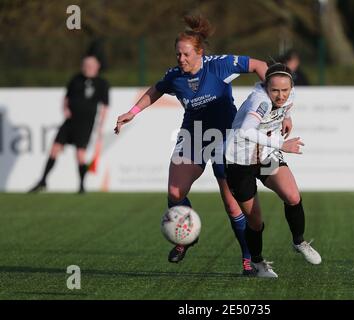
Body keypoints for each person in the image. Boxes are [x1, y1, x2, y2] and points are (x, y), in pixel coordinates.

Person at [114, 16, 268, 275]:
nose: (180, 60)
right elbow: (156, 89)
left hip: (225, 137)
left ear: (200, 53)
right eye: (177, 55)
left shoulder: (219, 66)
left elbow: (260, 65)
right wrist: (133, 111)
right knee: (175, 191)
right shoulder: (175, 76)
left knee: (232, 204)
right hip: (193, 134)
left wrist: (273, 102)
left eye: (185, 55)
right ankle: (187, 236)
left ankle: (248, 258)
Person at [224, 63, 321, 278]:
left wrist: (286, 116)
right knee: (256, 222)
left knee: (293, 196)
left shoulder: (290, 94)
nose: (280, 95)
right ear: (266, 86)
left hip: (266, 154)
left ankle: (299, 242)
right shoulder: (260, 101)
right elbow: (246, 130)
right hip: (240, 161)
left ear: (291, 86)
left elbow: (285, 106)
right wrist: (281, 144)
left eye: (285, 90)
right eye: (275, 90)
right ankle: (257, 263)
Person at [29, 55, 109, 194]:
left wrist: (101, 125)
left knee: (80, 154)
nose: (88, 68)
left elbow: (105, 106)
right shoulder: (76, 79)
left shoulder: (102, 83)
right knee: (55, 149)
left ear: (97, 66)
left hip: (86, 124)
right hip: (70, 122)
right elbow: (66, 97)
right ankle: (43, 181)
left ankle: (82, 186)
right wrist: (65, 109)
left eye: (91, 65)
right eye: (85, 65)